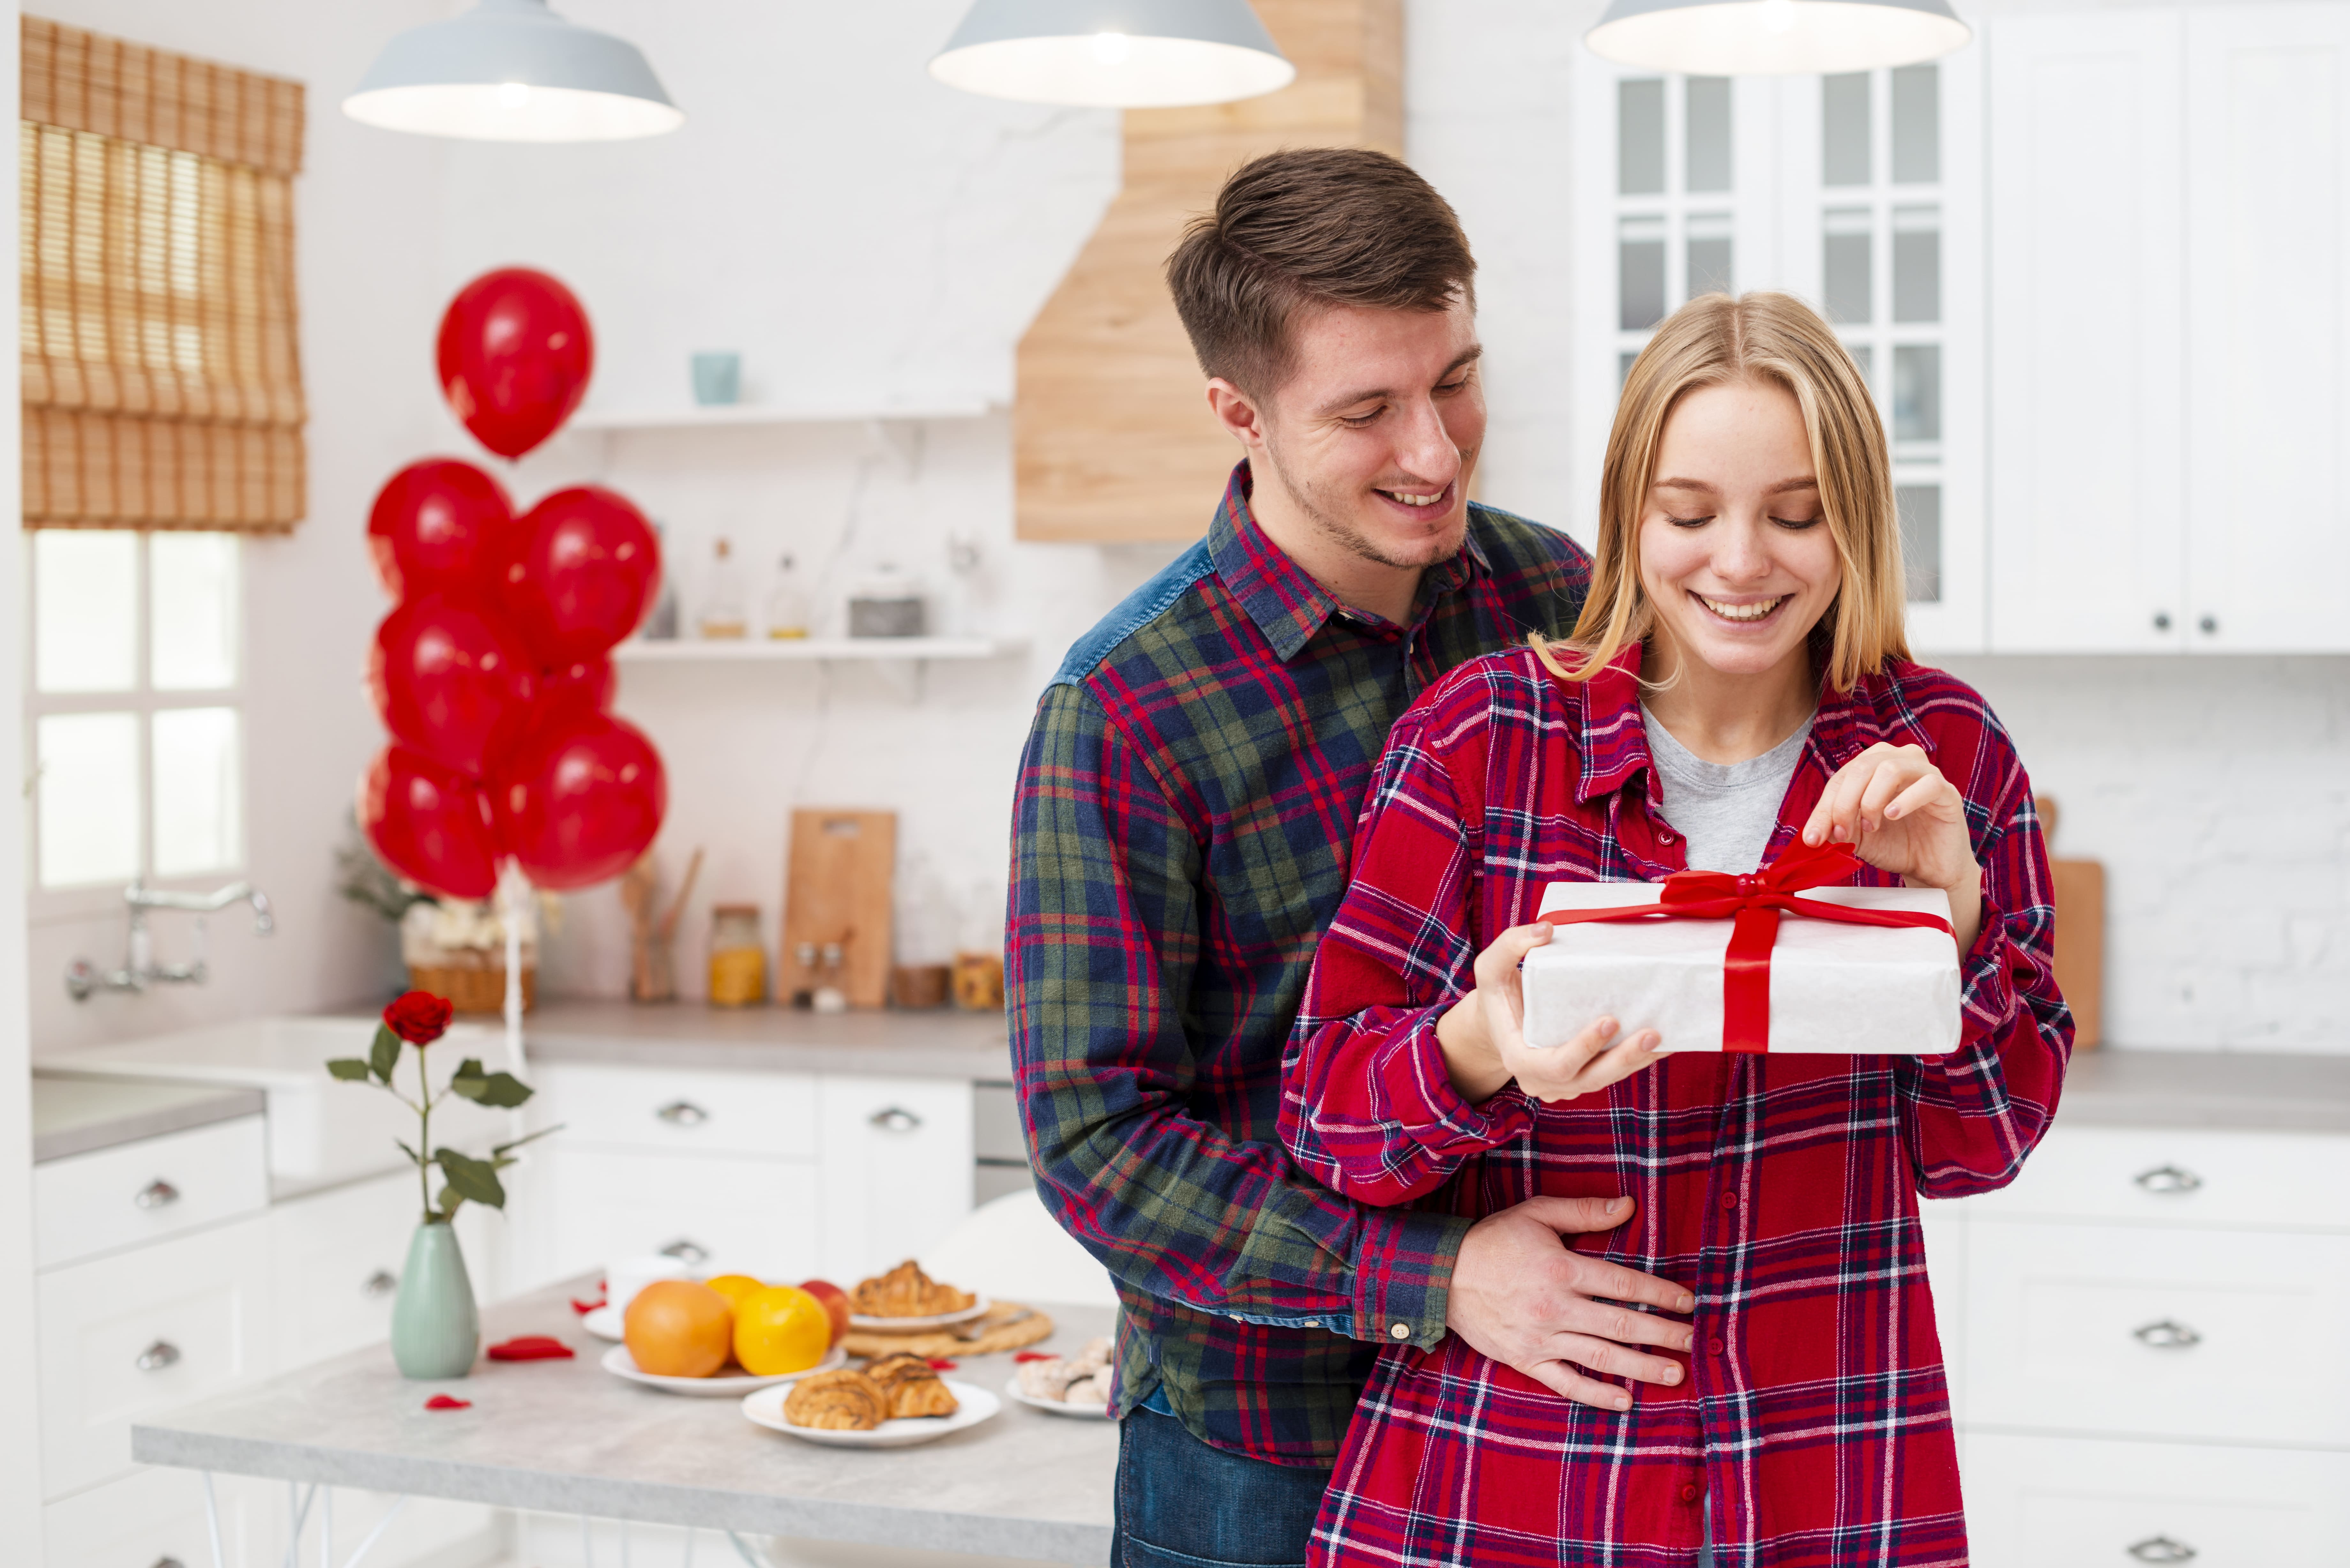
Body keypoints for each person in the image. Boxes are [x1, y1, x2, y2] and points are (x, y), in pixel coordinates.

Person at [1283, 291, 2072, 1566]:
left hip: (1826, 1473)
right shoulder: (1483, 739)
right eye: (1691, 514)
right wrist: (1482, 1042)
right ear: (1629, 519)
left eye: (1797, 514)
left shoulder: (1946, 753)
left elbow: (1980, 1149)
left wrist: (1956, 915)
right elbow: (1329, 1117)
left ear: (1856, 521)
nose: (1742, 562)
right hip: (1505, 1479)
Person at [1009, 148, 1704, 1568]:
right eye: (1367, 411)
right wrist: (1433, 1276)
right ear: (1238, 412)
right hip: (1264, 1456)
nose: (1437, 451)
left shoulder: (1558, 600)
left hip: (1550, 1410)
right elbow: (1096, 1151)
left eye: (1453, 379)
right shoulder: (1125, 711)